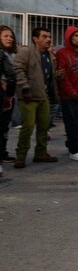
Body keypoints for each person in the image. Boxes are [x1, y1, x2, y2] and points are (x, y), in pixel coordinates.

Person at [13, 27, 61, 168]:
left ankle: (41, 153)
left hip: (43, 96)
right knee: (27, 126)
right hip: (29, 96)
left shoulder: (50, 56)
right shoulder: (27, 52)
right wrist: (24, 87)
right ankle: (21, 155)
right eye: (44, 36)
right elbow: (17, 68)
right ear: (35, 38)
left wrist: (57, 75)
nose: (48, 39)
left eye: (49, 36)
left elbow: (48, 75)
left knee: (44, 126)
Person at [56, 26, 78, 161]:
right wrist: (70, 90)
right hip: (69, 96)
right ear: (69, 38)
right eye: (75, 36)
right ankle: (75, 149)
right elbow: (62, 75)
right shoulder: (62, 53)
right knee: (72, 122)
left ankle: (72, 143)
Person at [0, 25, 17, 175]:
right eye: (5, 36)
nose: (9, 38)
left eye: (11, 36)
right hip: (5, 96)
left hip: (7, 97)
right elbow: (11, 76)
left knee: (4, 126)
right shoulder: (3, 55)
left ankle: (2, 152)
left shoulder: (10, 55)